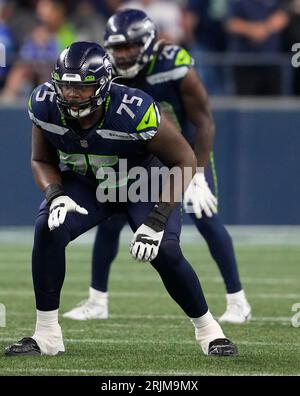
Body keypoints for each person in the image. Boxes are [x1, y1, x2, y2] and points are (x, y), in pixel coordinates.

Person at [4, 41, 237, 357]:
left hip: (141, 182)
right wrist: (55, 195)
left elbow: (184, 159)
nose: (71, 95)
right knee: (48, 226)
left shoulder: (133, 109)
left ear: (102, 85)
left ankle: (210, 331)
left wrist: (155, 222)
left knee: (165, 250)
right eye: (66, 86)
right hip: (89, 184)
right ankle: (46, 335)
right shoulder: (44, 103)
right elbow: (41, 160)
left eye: (82, 88)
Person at [63, 9, 251, 324]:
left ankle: (238, 301)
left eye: (129, 47)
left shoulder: (174, 65)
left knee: (204, 215)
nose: (122, 55)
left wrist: (199, 174)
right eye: (116, 47)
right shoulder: (106, 73)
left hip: (184, 153)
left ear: (149, 42)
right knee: (112, 219)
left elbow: (203, 121)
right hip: (138, 156)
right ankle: (97, 300)